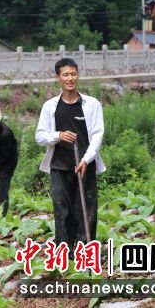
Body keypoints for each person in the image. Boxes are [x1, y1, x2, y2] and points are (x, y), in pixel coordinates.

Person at [35, 58, 105, 252]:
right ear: (58, 77)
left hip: (84, 165)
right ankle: (64, 252)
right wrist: (58, 135)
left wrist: (86, 159)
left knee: (86, 210)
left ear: (78, 76)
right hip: (59, 166)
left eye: (73, 74)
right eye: (65, 74)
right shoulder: (50, 107)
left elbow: (97, 135)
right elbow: (39, 136)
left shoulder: (91, 104)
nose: (70, 78)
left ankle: (85, 251)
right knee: (62, 211)